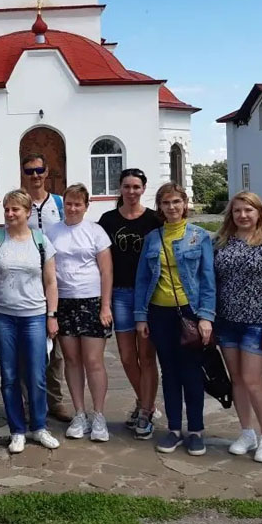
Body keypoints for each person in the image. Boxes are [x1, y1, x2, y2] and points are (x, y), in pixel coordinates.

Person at [135, 183, 215, 457]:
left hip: (189, 313)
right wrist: (141, 317)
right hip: (160, 313)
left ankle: (196, 431)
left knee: (191, 372)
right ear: (160, 206)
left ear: (185, 204)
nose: (171, 207)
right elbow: (143, 279)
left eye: (176, 202)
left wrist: (206, 317)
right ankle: (173, 429)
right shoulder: (152, 238)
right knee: (169, 372)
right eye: (166, 202)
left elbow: (207, 280)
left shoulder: (199, 237)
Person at [0, 189, 61, 453]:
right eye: (6, 209)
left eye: (15, 209)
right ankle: (17, 430)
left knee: (37, 374)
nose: (10, 213)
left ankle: (39, 426)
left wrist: (52, 315)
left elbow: (51, 281)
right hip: (3, 316)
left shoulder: (41, 241)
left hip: (34, 316)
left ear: (28, 212)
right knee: (9, 375)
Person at [213, 191, 262, 463]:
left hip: (257, 323)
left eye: (248, 210)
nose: (243, 215)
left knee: (253, 381)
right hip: (226, 321)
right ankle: (247, 432)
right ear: (231, 214)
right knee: (237, 380)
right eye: (237, 211)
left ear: (259, 212)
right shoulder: (221, 242)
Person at [97, 169, 161, 439]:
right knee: (126, 356)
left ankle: (145, 410)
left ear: (143, 188)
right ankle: (145, 402)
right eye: (127, 186)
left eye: (136, 186)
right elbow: (102, 260)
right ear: (120, 189)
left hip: (148, 294)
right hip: (120, 293)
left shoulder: (154, 220)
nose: (131, 191)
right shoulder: (108, 220)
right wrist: (105, 300)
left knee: (146, 356)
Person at [47, 183, 113, 442]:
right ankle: (79, 413)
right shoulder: (53, 232)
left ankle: (99, 415)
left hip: (92, 301)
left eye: (78, 204)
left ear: (86, 206)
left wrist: (105, 305)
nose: (72, 208)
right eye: (69, 204)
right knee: (72, 360)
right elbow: (48, 270)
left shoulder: (95, 232)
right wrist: (51, 311)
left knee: (93, 361)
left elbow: (106, 271)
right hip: (64, 302)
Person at [21, 153, 72, 423]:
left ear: (47, 171)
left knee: (55, 348)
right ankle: (29, 400)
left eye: (39, 170)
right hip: (27, 284)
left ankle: (55, 400)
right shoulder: (19, 203)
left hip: (55, 282)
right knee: (27, 349)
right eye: (30, 171)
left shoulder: (59, 203)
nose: (35, 175)